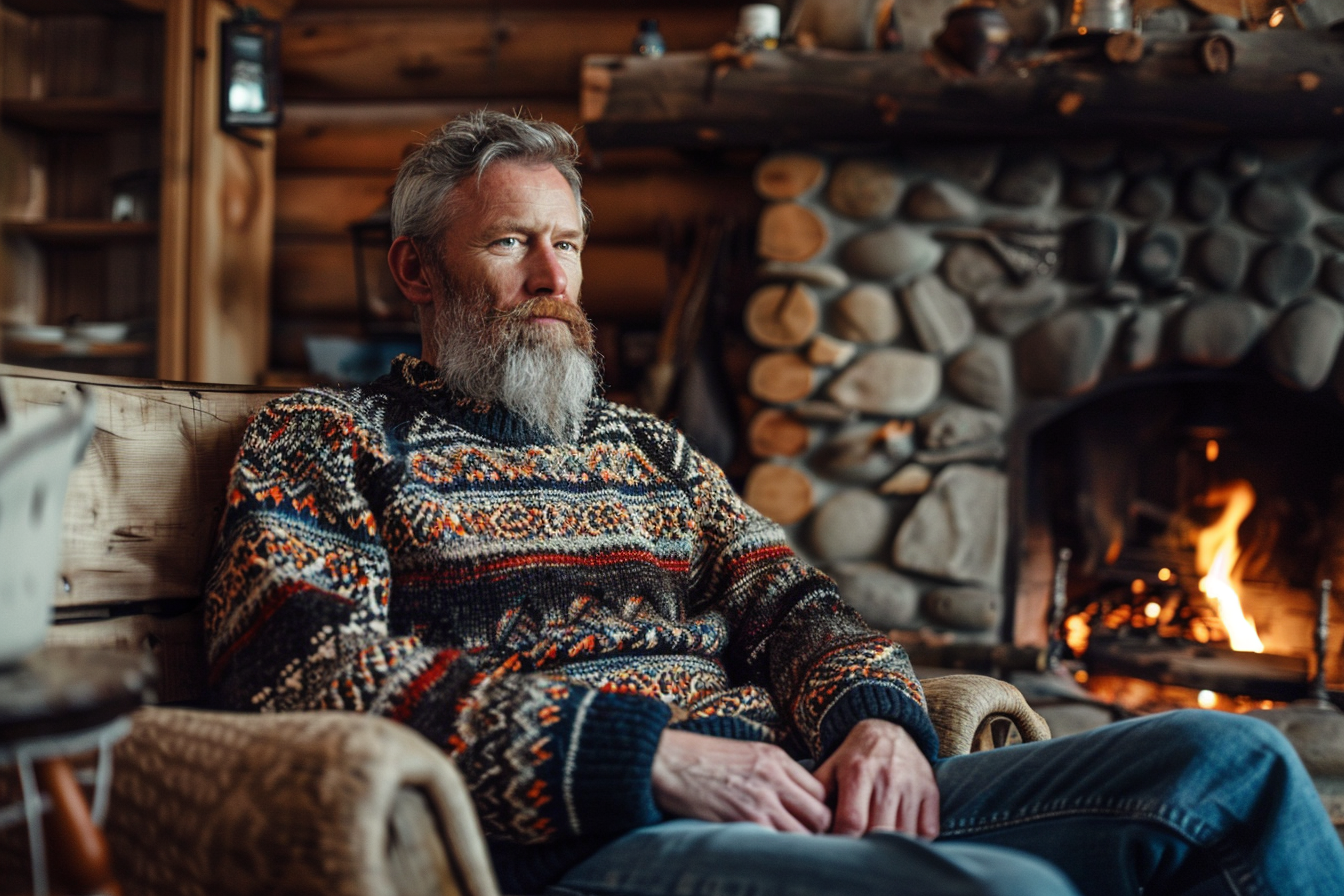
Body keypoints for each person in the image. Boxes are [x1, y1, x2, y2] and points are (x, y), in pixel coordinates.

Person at [204, 110, 1344, 896]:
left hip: (786, 792)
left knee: (1231, 768)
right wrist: (647, 756)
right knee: (1002, 888)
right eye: (511, 243)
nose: (555, 281)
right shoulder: (327, 440)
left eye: (571, 245)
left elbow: (796, 599)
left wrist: (878, 722)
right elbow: (308, 677)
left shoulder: (648, 450)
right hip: (586, 842)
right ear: (417, 271)